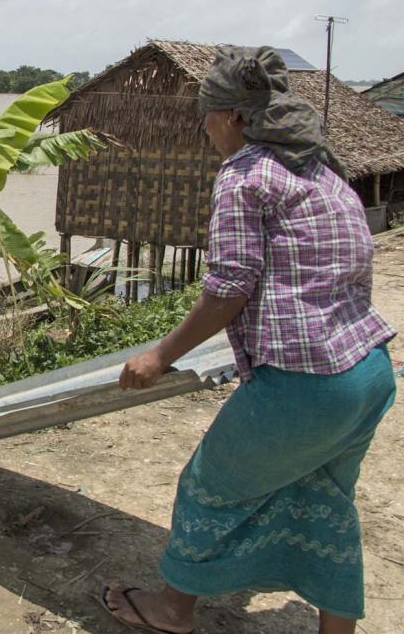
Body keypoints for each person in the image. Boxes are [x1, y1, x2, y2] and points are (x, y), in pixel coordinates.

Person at [102, 46, 396, 634]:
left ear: (232, 116)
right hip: (369, 371)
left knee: (209, 487)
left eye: (207, 114)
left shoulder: (245, 175)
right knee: (325, 499)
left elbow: (229, 287)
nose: (204, 126)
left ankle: (172, 609)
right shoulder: (323, 168)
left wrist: (160, 354)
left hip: (306, 385)